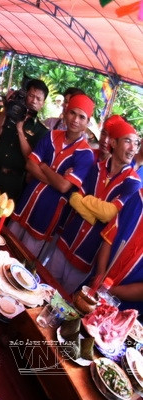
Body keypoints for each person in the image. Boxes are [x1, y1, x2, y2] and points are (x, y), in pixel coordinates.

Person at [50, 116, 141, 293]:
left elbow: (109, 215)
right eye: (128, 141)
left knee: (64, 299)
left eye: (136, 143)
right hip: (67, 239)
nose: (133, 148)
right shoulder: (95, 167)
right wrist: (97, 216)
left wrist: (88, 204)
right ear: (113, 143)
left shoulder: (133, 183)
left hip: (88, 255)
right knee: (46, 285)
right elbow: (74, 199)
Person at [8, 93, 96, 257]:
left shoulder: (85, 154)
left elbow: (63, 187)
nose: (75, 120)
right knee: (5, 246)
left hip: (47, 214)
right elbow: (29, 164)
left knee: (24, 260)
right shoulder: (50, 135)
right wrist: (57, 177)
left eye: (82, 117)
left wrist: (43, 166)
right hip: (26, 203)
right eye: (72, 113)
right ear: (65, 112)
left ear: (87, 122)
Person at [0, 79, 50, 202]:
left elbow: (30, 157)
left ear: (43, 103)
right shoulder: (10, 114)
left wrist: (20, 129)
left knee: (0, 218)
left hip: (13, 180)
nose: (34, 101)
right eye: (31, 96)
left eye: (38, 99)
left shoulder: (42, 130)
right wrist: (7, 109)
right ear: (26, 95)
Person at [92, 186, 143, 316]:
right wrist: (100, 275)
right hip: (97, 282)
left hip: (123, 307)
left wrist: (110, 291)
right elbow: (109, 237)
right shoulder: (139, 198)